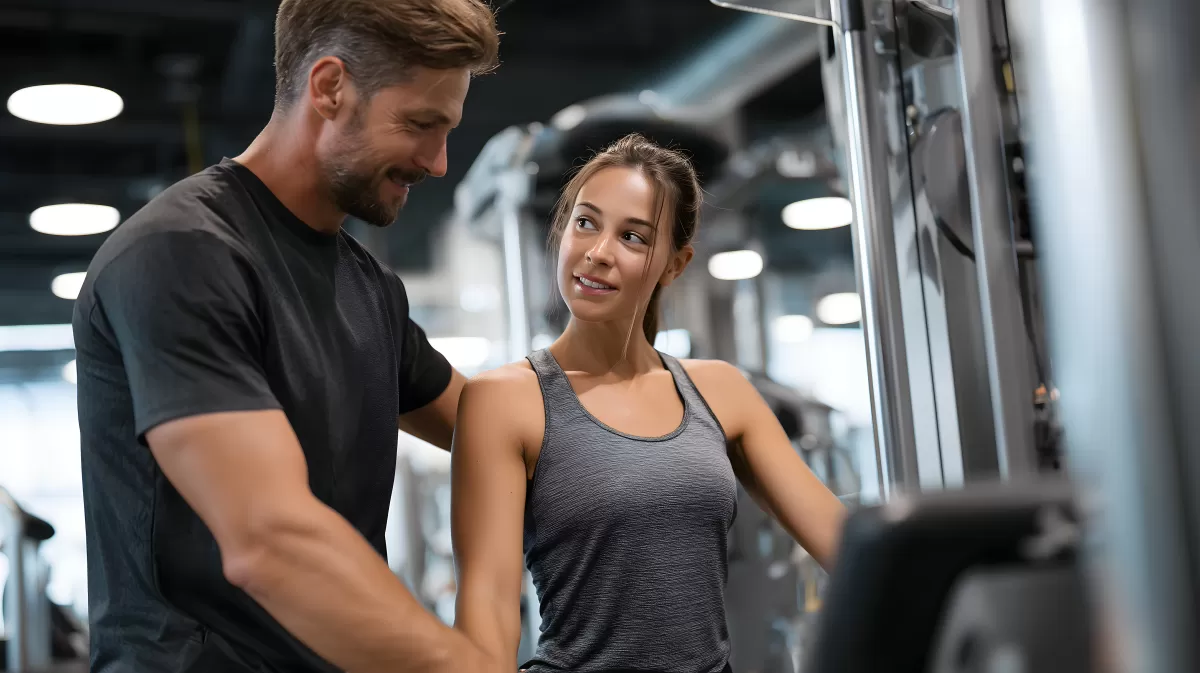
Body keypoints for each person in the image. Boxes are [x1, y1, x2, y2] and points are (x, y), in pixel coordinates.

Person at [71, 1, 502, 671]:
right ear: (329, 88)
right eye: (421, 124)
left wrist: (663, 418)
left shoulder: (369, 286)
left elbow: (492, 427)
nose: (440, 162)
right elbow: (268, 541)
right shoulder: (183, 253)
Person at [450, 133, 849, 673]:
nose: (597, 253)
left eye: (632, 237)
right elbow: (488, 615)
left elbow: (842, 541)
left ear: (674, 264)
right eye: (585, 223)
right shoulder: (502, 400)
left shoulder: (720, 390)